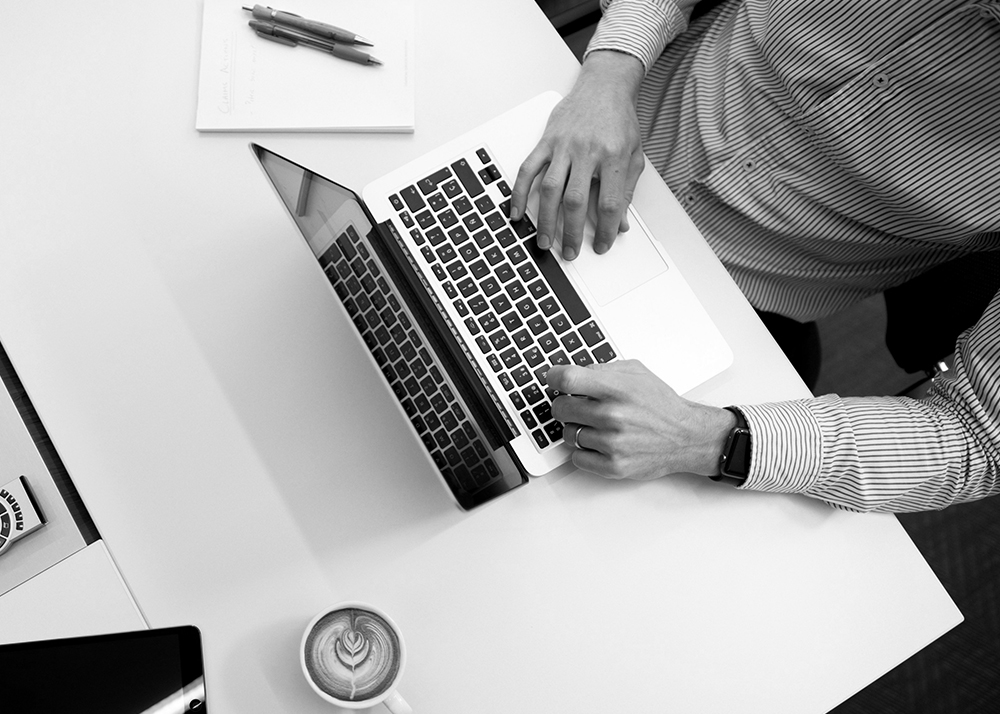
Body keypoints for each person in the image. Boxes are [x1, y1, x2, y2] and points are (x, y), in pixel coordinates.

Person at [510, 0, 1000, 513]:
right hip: (592, 124)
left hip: (736, 307)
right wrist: (611, 71)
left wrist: (711, 440)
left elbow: (978, 440)